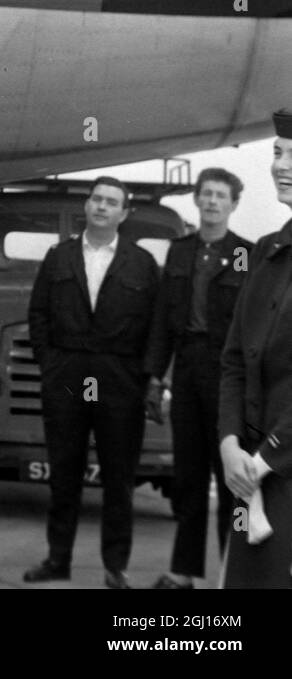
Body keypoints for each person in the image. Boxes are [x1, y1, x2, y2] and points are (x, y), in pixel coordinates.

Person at [24, 177, 159, 589]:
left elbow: (155, 327)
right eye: (97, 199)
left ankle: (115, 568)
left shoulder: (142, 263)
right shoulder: (58, 257)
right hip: (67, 376)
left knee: (119, 478)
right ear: (87, 206)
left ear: (124, 213)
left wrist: (145, 379)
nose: (102, 206)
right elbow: (38, 315)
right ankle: (57, 560)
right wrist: (51, 366)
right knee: (64, 472)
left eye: (111, 202)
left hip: (119, 381)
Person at [144, 168, 251, 588]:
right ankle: (183, 572)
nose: (211, 202)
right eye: (206, 194)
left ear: (233, 204)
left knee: (231, 479)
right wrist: (154, 376)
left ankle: (235, 572)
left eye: (220, 196)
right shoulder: (179, 251)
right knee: (188, 476)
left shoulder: (245, 253)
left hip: (227, 374)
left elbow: (253, 319)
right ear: (197, 200)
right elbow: (162, 321)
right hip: (186, 368)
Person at [219, 110, 292, 588]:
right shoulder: (268, 252)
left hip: (275, 468)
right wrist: (228, 444)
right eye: (278, 152)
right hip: (254, 476)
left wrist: (264, 458)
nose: (281, 164)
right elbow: (232, 362)